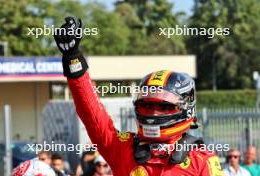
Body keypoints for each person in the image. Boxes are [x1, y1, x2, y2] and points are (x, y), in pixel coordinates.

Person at [54, 16, 224, 176]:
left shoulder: (202, 162)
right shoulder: (123, 149)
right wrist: (73, 60)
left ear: (186, 108)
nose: (153, 113)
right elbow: (93, 117)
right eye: (148, 105)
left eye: (163, 106)